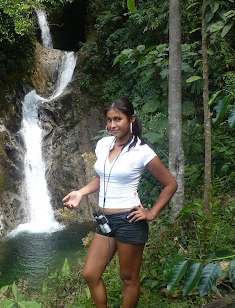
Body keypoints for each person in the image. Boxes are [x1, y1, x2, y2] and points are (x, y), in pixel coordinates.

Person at [62, 98, 178, 308]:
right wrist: (81, 192)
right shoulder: (103, 144)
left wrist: (151, 213)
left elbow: (170, 184)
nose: (113, 125)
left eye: (118, 119)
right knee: (90, 274)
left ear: (131, 119)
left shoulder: (142, 151)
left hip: (129, 220)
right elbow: (103, 178)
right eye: (109, 120)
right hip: (106, 221)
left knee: (129, 278)